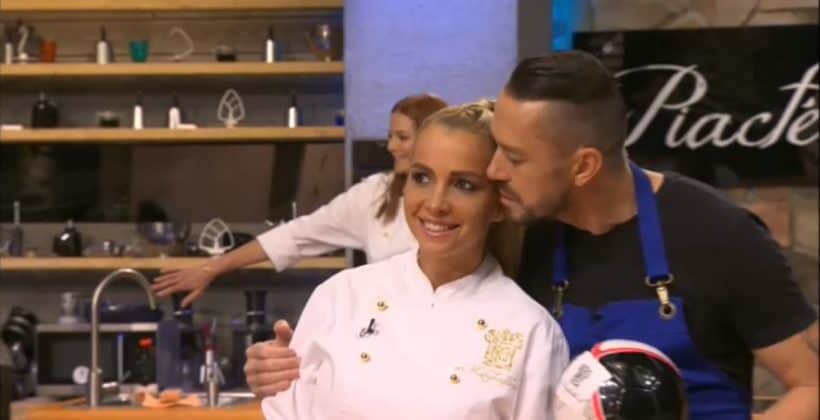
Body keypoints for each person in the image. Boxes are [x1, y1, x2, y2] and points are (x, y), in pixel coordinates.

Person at [487, 51, 818, 420]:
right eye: (496, 146)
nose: (494, 170)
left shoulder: (721, 234)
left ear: (584, 167)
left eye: (514, 158)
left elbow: (811, 386)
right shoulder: (523, 241)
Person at [259, 101, 568, 420]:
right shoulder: (340, 296)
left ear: (500, 205)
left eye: (464, 185)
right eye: (422, 177)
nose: (435, 204)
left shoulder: (531, 330)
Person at [151, 94, 447, 306]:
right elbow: (296, 235)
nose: (392, 146)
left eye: (402, 137)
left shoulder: (458, 201)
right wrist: (211, 269)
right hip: (388, 334)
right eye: (390, 136)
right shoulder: (374, 195)